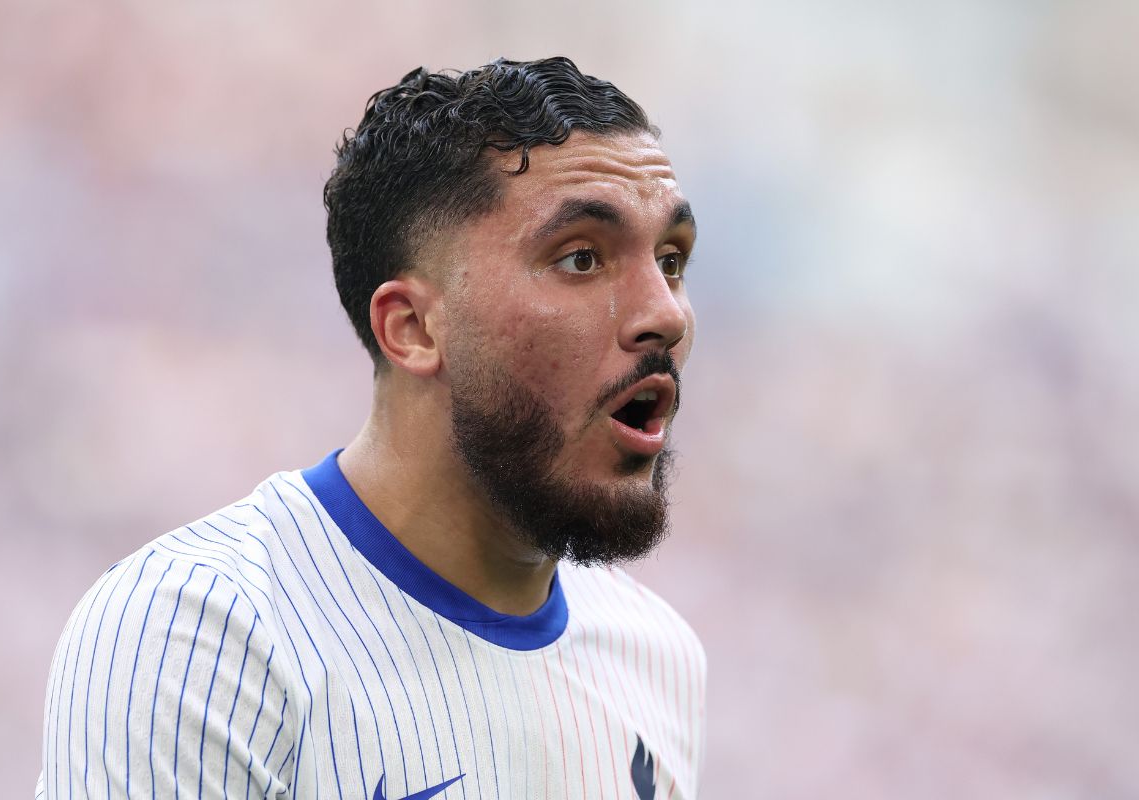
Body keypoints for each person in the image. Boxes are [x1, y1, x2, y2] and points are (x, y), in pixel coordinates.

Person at [38, 56, 705, 800]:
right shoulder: (198, 633)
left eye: (672, 260)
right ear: (413, 328)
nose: (666, 314)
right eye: (582, 258)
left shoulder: (659, 656)